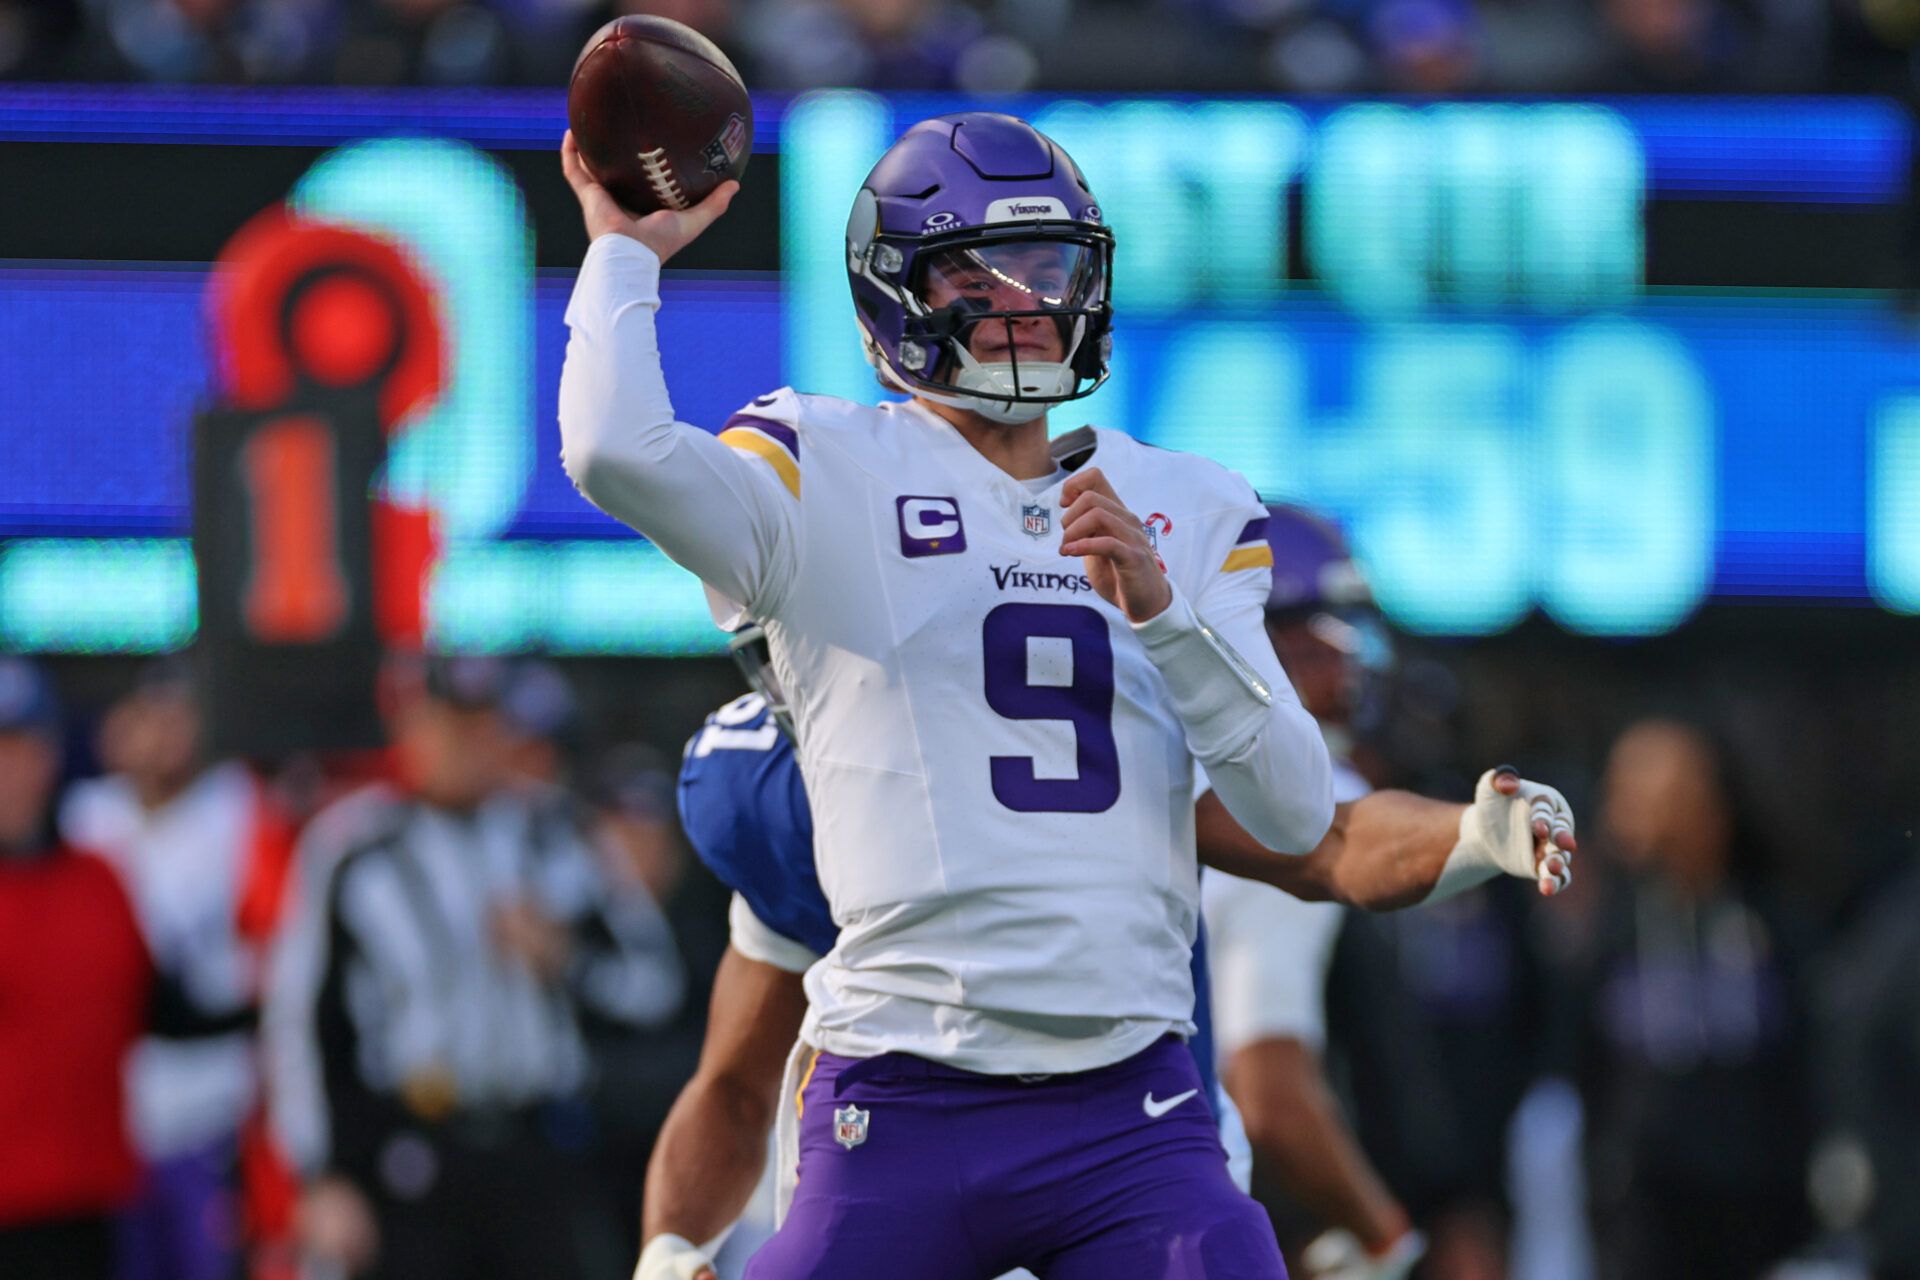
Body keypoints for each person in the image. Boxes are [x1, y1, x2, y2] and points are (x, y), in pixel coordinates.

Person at [562, 109, 1572, 1278]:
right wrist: (625, 249)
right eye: (973, 271)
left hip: (1127, 1107)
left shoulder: (1182, 502)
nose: (1021, 301)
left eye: (1047, 267)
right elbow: (611, 452)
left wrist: (1165, 618)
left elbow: (1304, 819)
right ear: (895, 290)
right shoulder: (823, 462)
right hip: (899, 1092)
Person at [637, 626, 1573, 1280]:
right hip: (908, 1162)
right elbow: (733, 1081)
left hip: (1127, 1145)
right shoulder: (778, 791)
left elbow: (1328, 840)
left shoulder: (1083, 716)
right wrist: (669, 1245)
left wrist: (1471, 833)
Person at [261, 655, 687, 1280]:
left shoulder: (558, 829)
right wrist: (321, 1174)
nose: (470, 744)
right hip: (410, 1147)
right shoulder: (354, 848)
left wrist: (565, 957)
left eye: (485, 725)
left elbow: (653, 984)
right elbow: (301, 1023)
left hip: (541, 1142)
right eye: (450, 724)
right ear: (410, 728)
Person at [1562, 717, 1815, 1280]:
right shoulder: (1599, 931)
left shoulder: (1773, 925)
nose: (1649, 815)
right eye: (1631, 793)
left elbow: (1809, 1059)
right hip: (1639, 1207)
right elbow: (1573, 1070)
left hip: (1756, 1206)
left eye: (1674, 795)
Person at [59, 659, 285, 1280]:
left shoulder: (243, 808)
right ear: (112, 730)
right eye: (143, 718)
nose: (159, 734)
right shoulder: (83, 820)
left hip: (216, 1111)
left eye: (175, 717)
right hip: (111, 1119)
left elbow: (280, 954)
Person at [0, 657, 151, 1280]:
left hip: (92, 1198)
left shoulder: (99, 878)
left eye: (22, 748)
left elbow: (156, 1003)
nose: (10, 771)